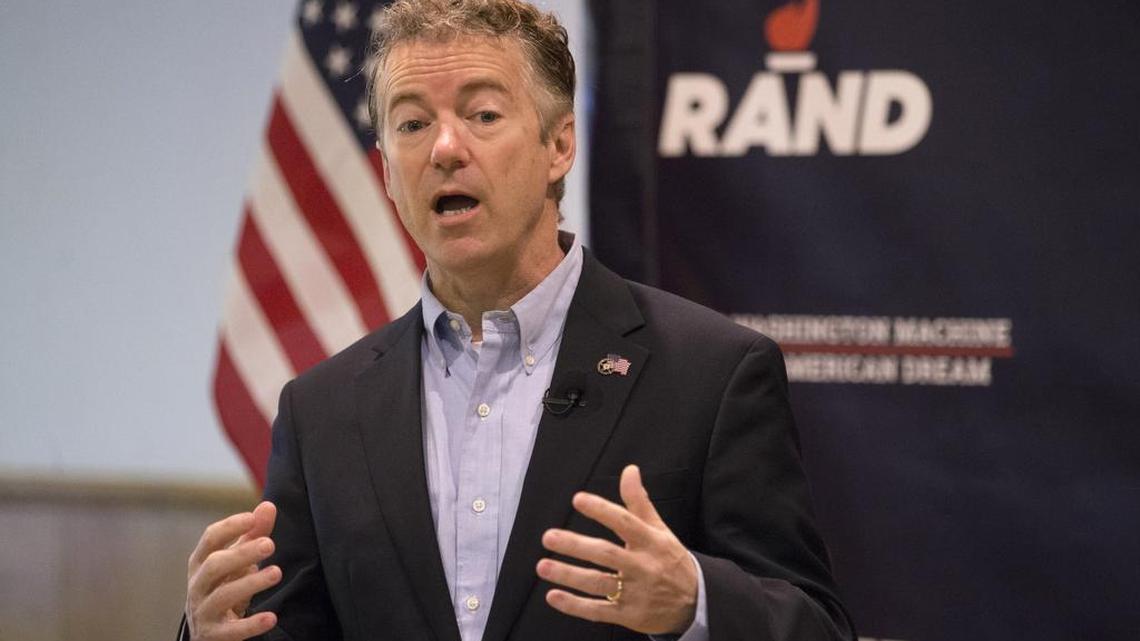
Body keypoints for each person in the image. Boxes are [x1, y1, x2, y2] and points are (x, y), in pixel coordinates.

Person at [182, 1, 855, 640]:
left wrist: (694, 602)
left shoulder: (709, 374)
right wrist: (212, 631)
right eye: (412, 124)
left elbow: (816, 626)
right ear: (387, 171)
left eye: (481, 114)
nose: (444, 147)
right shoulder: (320, 411)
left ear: (558, 145)